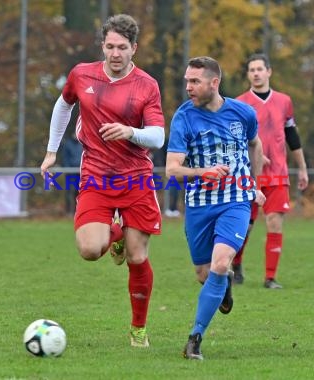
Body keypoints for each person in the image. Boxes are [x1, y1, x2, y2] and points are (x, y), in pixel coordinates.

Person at [40, 14, 165, 348]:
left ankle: (138, 328)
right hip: (95, 175)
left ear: (133, 48)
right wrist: (52, 151)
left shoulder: (146, 85)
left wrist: (130, 132)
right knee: (90, 249)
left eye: (122, 47)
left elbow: (158, 137)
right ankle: (116, 233)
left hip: (136, 178)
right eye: (110, 46)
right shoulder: (82, 74)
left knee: (137, 257)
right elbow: (63, 105)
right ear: (103, 46)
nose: (115, 53)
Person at [166, 56, 265, 360]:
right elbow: (172, 169)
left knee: (221, 264)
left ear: (214, 83)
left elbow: (255, 146)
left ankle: (194, 339)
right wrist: (202, 172)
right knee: (204, 273)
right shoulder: (184, 117)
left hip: (235, 200)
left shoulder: (243, 113)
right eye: (186, 81)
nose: (188, 87)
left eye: (194, 81)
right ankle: (223, 287)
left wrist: (255, 186)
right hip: (199, 205)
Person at [233, 53, 309, 289]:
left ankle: (270, 277)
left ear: (269, 72)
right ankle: (236, 264)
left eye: (259, 69)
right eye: (251, 70)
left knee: (275, 222)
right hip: (248, 175)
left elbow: (292, 136)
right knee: (244, 226)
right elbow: (234, 141)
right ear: (248, 75)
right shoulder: (239, 103)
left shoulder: (284, 101)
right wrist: (252, 154)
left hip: (278, 174)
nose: (255, 73)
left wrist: (303, 168)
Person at [61, 132, 83, 216]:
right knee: (70, 191)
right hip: (71, 173)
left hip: (81, 172)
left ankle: (77, 211)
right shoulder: (68, 144)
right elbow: (65, 158)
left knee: (79, 192)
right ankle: (69, 211)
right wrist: (68, 170)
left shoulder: (82, 144)